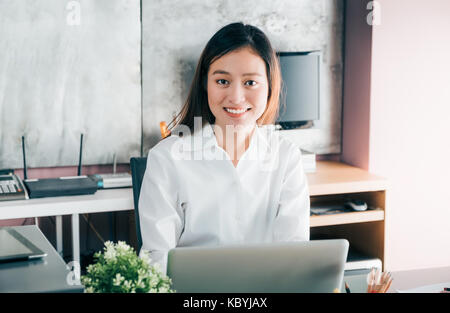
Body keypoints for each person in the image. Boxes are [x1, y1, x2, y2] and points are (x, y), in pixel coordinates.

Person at [139, 22, 310, 274]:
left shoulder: (286, 157)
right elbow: (157, 261)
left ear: (270, 87)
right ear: (204, 85)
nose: (236, 97)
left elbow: (295, 256)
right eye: (222, 81)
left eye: (250, 82)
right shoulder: (166, 158)